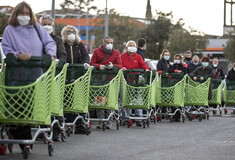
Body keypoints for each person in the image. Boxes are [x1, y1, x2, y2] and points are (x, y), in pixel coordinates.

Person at [2, 1, 56, 153]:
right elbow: (6, 48)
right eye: (21, 14)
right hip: (16, 75)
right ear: (16, 15)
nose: (24, 16)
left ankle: (20, 136)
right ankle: (22, 139)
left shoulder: (37, 28)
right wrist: (18, 55)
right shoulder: (9, 30)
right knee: (17, 105)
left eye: (27, 14)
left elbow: (49, 42)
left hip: (35, 73)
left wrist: (50, 55)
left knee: (30, 106)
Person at [40, 15, 66, 141]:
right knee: (40, 103)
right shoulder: (35, 39)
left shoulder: (57, 40)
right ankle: (40, 131)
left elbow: (62, 56)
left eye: (49, 24)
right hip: (39, 76)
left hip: (54, 76)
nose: (47, 26)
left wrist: (57, 63)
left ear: (53, 26)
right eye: (44, 24)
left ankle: (55, 131)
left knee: (54, 104)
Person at [90, 37, 122, 129]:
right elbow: (92, 63)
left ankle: (109, 121)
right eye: (108, 42)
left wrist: (113, 66)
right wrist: (100, 66)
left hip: (111, 80)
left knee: (110, 100)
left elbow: (120, 66)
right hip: (99, 80)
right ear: (103, 43)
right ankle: (101, 121)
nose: (110, 44)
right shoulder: (97, 51)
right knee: (100, 100)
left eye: (111, 42)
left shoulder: (116, 53)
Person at [121, 40, 149, 126]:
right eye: (130, 45)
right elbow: (119, 65)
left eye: (133, 45)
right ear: (126, 47)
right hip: (125, 81)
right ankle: (125, 118)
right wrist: (122, 68)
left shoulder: (138, 57)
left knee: (138, 99)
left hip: (136, 81)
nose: (132, 47)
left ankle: (138, 119)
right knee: (124, 99)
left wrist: (147, 69)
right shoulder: (122, 56)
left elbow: (143, 65)